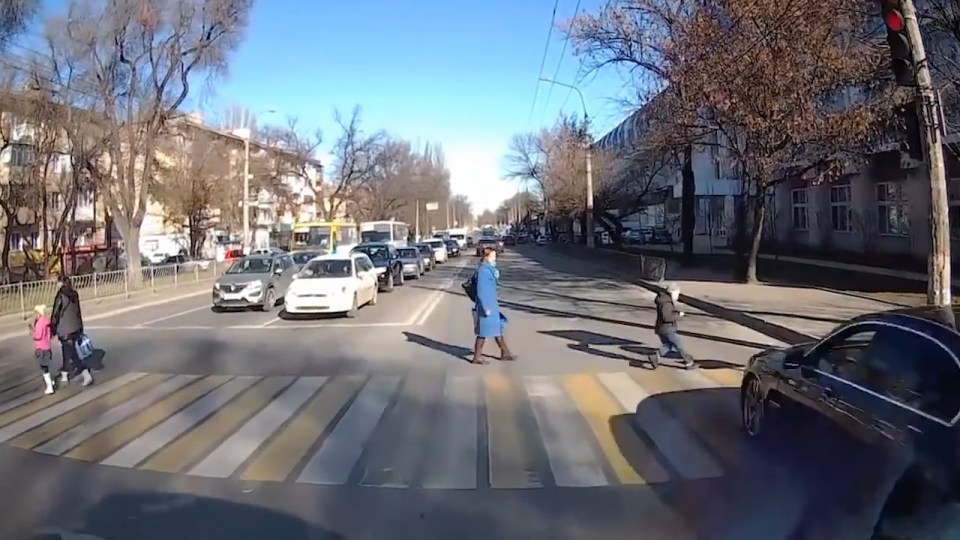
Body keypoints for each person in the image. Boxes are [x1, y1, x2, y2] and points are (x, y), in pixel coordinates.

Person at [471, 246, 516, 365]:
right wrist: (486, 308)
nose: (495, 258)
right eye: (493, 256)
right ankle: (477, 357)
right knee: (483, 332)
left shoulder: (489, 269)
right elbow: (481, 291)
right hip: (486, 306)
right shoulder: (483, 271)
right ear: (486, 257)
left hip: (492, 304)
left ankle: (505, 353)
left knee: (497, 328)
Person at [50, 275, 94, 386]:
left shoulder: (61, 295)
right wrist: (80, 327)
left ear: (61, 283)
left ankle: (85, 373)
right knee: (67, 351)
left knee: (72, 353)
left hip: (65, 330)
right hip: (75, 328)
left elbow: (56, 313)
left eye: (58, 282)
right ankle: (65, 375)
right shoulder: (74, 294)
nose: (57, 285)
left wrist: (52, 328)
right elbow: (78, 311)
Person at [652, 283, 695, 370]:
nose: (678, 296)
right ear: (672, 293)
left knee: (669, 345)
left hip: (662, 328)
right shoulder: (666, 303)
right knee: (679, 345)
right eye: (677, 293)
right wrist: (678, 316)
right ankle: (689, 363)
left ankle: (655, 357)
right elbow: (667, 317)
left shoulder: (664, 300)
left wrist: (677, 313)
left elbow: (668, 313)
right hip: (667, 328)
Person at [29, 305, 55, 395]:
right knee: (46, 366)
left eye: (35, 313)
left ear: (39, 313)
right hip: (47, 346)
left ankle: (49, 386)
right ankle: (50, 382)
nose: (34, 314)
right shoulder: (46, 321)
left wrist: (33, 332)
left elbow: (38, 336)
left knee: (44, 368)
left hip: (41, 347)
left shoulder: (40, 322)